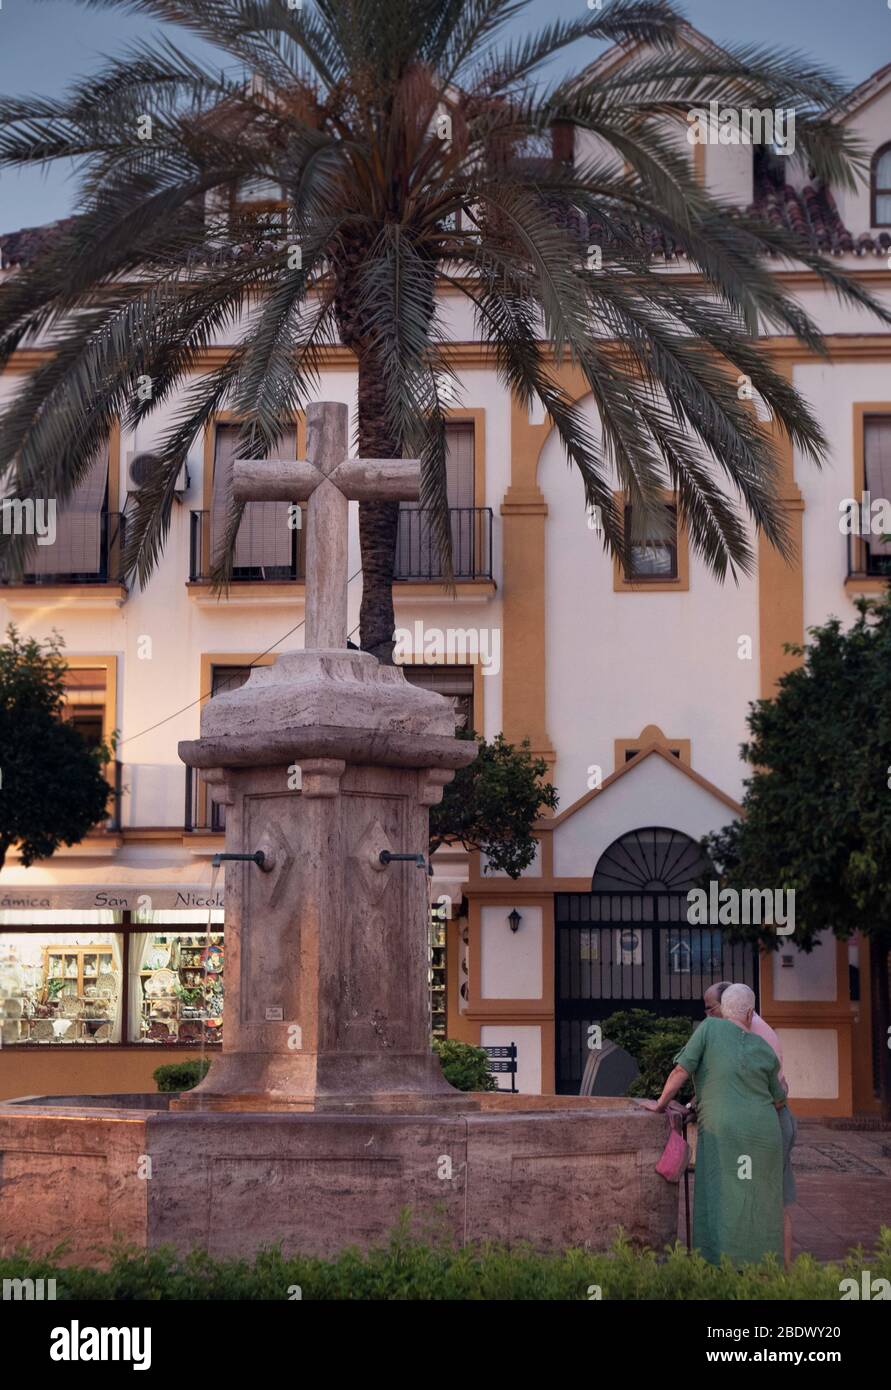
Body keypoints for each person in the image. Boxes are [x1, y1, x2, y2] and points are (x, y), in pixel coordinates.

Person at [639, 984, 786, 1266]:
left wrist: (660, 1104)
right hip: (764, 1133)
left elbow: (682, 1069)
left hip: (722, 1129)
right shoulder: (763, 1048)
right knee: (760, 1199)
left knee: (721, 1193)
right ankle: (762, 1265)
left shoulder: (708, 1029)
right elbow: (779, 1099)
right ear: (750, 1012)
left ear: (722, 1009)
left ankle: (718, 1264)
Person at [705, 981, 797, 1267]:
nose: (708, 1016)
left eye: (711, 1009)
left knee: (772, 1200)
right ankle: (766, 1267)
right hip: (767, 1123)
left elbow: (778, 1094)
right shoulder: (739, 1031)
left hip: (771, 1123)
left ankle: (777, 1270)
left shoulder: (754, 1036)